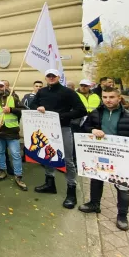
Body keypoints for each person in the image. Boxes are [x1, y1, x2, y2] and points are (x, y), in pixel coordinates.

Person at [79, 87, 129, 231]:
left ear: (119, 98)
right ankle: (94, 204)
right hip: (101, 154)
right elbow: (84, 127)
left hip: (121, 158)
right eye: (105, 97)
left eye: (111, 97)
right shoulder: (96, 113)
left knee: (123, 187)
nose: (108, 100)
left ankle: (122, 216)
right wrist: (92, 130)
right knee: (96, 180)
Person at [30, 69, 87, 209]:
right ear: (46, 77)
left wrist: (61, 115)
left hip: (63, 128)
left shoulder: (68, 92)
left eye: (53, 76)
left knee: (68, 159)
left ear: (58, 77)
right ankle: (50, 183)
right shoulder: (42, 91)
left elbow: (81, 110)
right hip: (46, 129)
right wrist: (38, 107)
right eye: (48, 76)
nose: (50, 78)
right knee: (47, 155)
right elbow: (32, 105)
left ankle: (71, 190)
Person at [0, 81, 27, 191]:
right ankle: (2, 171)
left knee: (16, 154)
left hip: (12, 133)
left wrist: (11, 110)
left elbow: (24, 110)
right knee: (0, 152)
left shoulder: (13, 98)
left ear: (4, 87)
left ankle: (18, 176)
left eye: (0, 86)